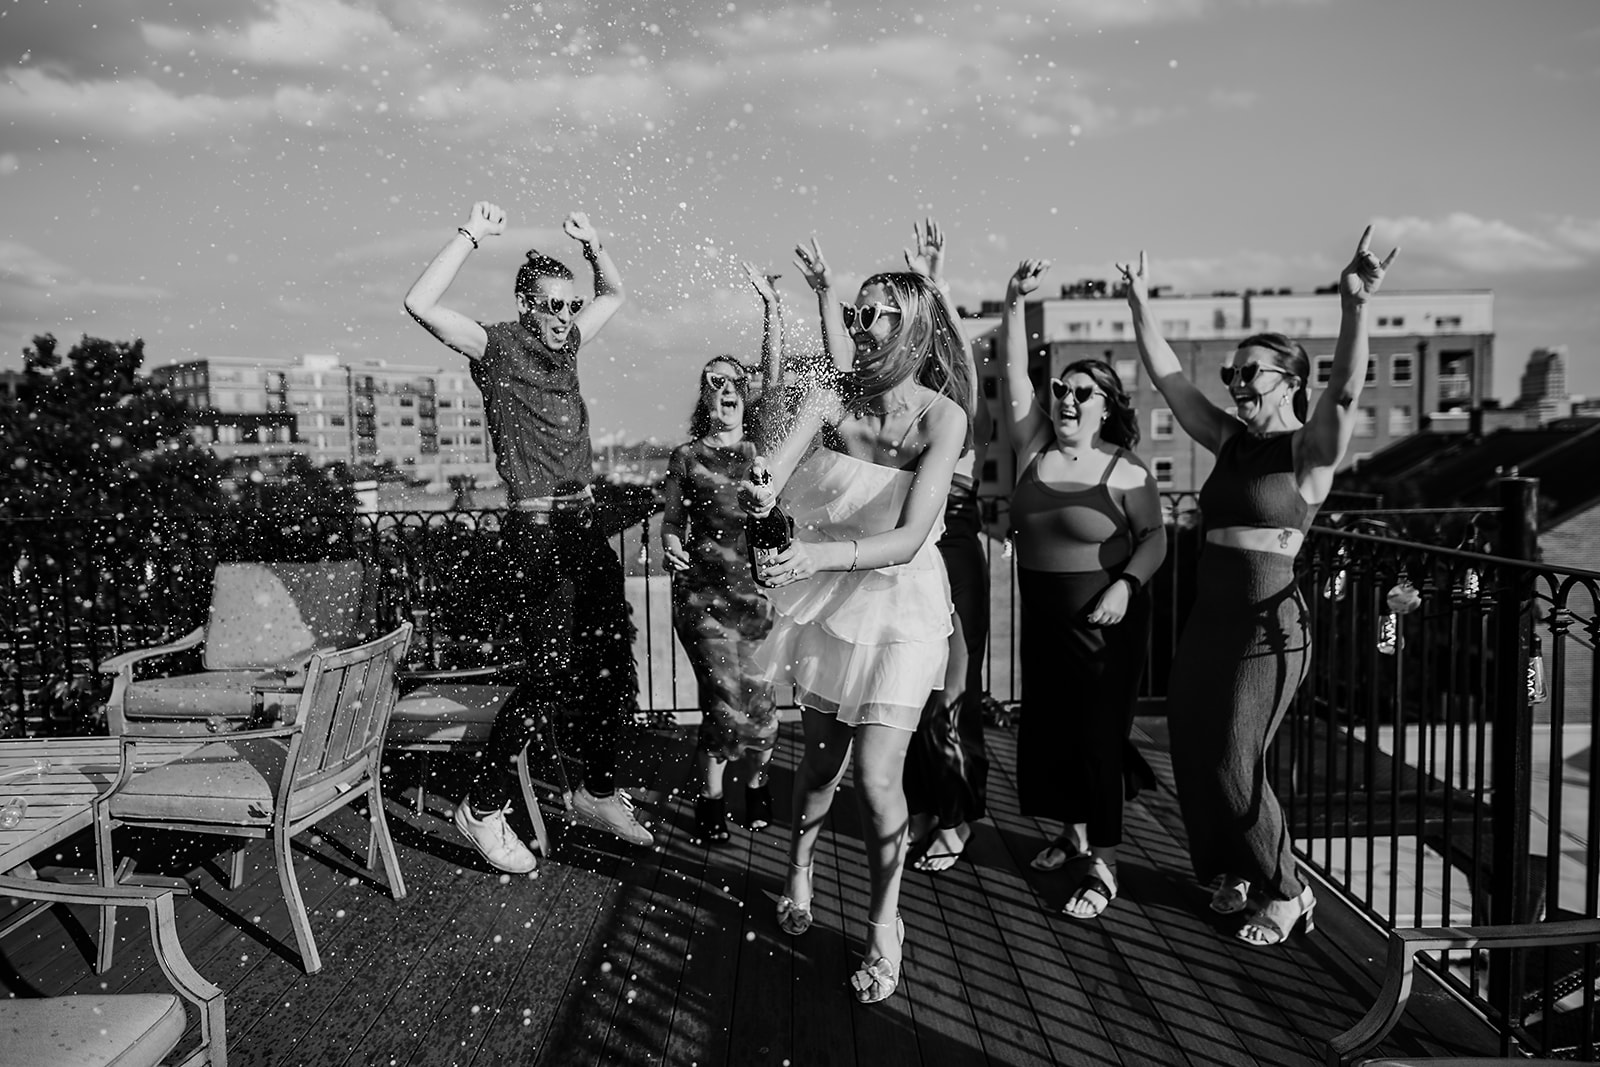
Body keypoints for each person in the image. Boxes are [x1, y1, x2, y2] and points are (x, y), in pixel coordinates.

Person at [1119, 227, 1398, 945]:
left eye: (1253, 374)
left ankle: (1287, 889)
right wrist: (1138, 301)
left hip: (1269, 629)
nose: (1238, 385)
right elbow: (1170, 378)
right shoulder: (1229, 440)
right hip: (1209, 618)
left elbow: (1346, 393)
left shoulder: (1307, 452)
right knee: (1189, 741)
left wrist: (1355, 306)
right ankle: (1230, 868)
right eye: (1234, 375)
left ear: (1291, 382)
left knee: (1232, 755)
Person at [745, 241, 971, 1005]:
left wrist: (814, 559)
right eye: (853, 312)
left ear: (913, 328)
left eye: (874, 313)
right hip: (834, 607)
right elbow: (774, 468)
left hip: (904, 610)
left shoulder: (947, 417)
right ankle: (800, 866)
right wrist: (762, 486)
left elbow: (910, 539)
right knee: (819, 770)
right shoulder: (832, 396)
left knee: (877, 780)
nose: (859, 323)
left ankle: (884, 923)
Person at [403, 200, 653, 875]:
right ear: (525, 303)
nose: (566, 316)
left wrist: (597, 244)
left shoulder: (569, 343)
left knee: (607, 663)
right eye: (553, 305)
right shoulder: (497, 346)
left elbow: (617, 293)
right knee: (550, 674)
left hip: (582, 521)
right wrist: (469, 236)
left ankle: (594, 789)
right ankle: (482, 805)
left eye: (571, 306)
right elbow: (419, 302)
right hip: (538, 527)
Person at [999, 258, 1168, 920]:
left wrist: (1127, 586)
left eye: (1082, 392)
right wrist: (1014, 301)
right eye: (1062, 388)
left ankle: (1104, 862)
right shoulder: (1033, 446)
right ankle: (1072, 837)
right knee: (1053, 731)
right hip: (1042, 618)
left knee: (1099, 736)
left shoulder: (1126, 470)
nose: (1066, 399)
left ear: (1105, 408)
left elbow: (1154, 538)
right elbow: (1014, 375)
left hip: (1108, 619)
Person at [659, 264, 785, 843]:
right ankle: (711, 802)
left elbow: (776, 374)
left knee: (761, 712)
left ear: (746, 392)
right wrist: (667, 541)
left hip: (755, 601)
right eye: (713, 381)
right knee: (723, 703)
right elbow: (673, 518)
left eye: (734, 380)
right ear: (705, 396)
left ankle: (756, 782)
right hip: (703, 602)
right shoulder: (686, 457)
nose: (725, 389)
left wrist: (771, 307)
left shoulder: (764, 450)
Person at [894, 219, 994, 874]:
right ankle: (924, 808)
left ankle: (958, 816)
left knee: (953, 692)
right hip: (908, 554)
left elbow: (961, 357)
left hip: (954, 547)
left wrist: (934, 283)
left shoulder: (955, 403)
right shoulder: (896, 406)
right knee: (911, 690)